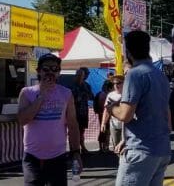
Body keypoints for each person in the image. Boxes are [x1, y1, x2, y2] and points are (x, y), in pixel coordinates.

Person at [109, 31, 172, 186]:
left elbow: (125, 114)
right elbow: (166, 113)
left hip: (141, 150)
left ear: (128, 52)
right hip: (162, 148)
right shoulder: (160, 75)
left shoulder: (134, 75)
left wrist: (111, 108)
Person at [16, 53, 83, 186]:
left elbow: (73, 125)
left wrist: (76, 153)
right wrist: (42, 95)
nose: (50, 73)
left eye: (55, 69)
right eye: (46, 69)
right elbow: (22, 120)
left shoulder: (66, 93)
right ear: (39, 71)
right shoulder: (26, 92)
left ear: (59, 73)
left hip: (57, 156)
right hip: (32, 156)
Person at [70, 67, 92, 153]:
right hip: (73, 111)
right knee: (73, 130)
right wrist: (76, 99)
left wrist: (85, 94)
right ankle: (73, 148)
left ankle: (82, 147)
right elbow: (68, 98)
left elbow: (91, 96)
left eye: (84, 75)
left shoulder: (86, 85)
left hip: (83, 111)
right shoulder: (72, 85)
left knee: (81, 130)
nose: (84, 76)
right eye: (81, 75)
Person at [101, 76, 124, 154]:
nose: (116, 85)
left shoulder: (126, 94)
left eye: (118, 83)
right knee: (116, 147)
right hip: (114, 125)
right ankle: (120, 164)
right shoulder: (110, 95)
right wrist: (103, 123)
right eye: (114, 83)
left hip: (126, 125)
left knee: (125, 147)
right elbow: (106, 110)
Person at [94, 80, 112, 152]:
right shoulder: (109, 95)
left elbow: (95, 104)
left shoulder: (99, 94)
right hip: (107, 115)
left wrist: (97, 111)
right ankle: (105, 147)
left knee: (103, 131)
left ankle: (102, 147)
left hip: (101, 114)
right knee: (107, 131)